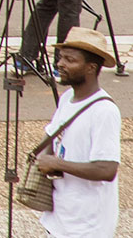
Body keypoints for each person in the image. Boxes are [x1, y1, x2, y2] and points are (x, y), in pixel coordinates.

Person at [31, 29, 123, 238]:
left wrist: (56, 164)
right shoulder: (67, 98)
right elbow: (52, 136)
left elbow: (107, 169)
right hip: (60, 217)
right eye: (61, 57)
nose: (60, 64)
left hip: (87, 226)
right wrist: (44, 157)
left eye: (70, 60)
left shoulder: (104, 112)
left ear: (91, 68)